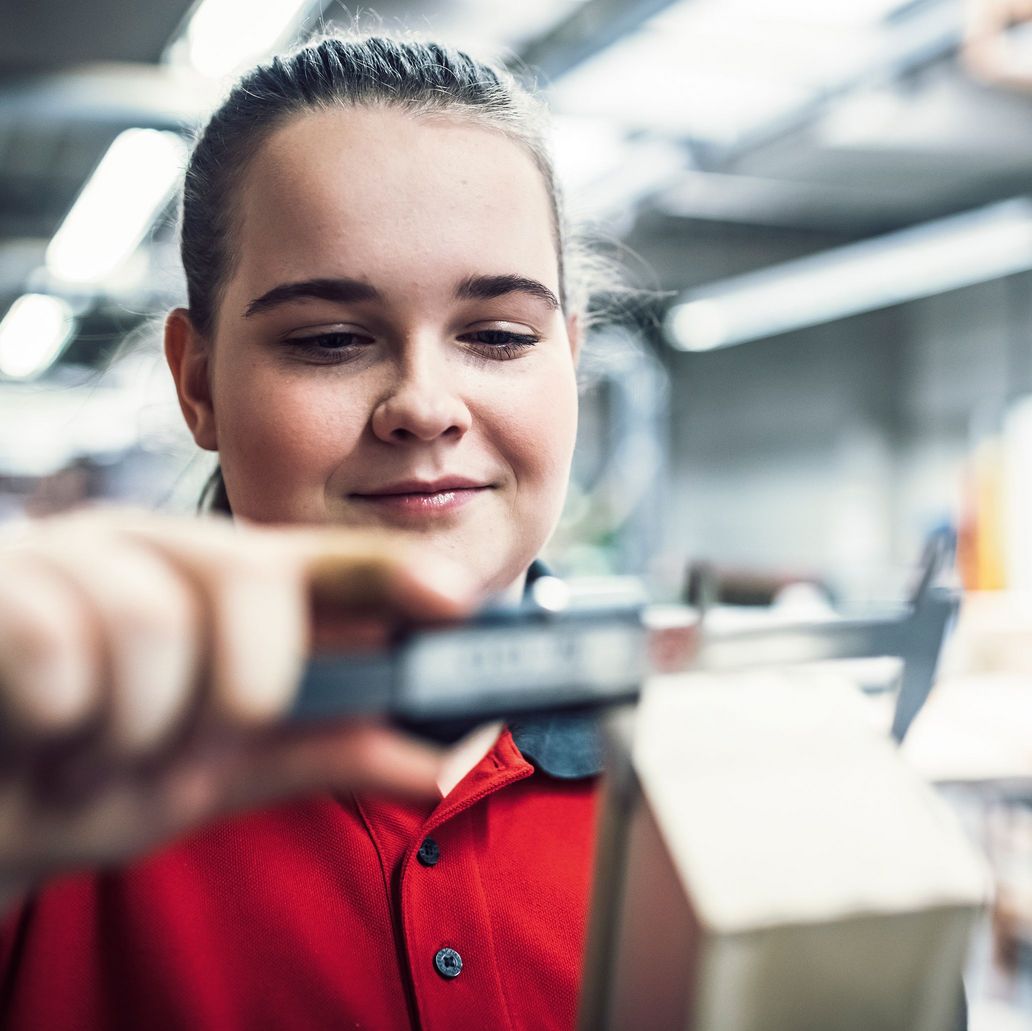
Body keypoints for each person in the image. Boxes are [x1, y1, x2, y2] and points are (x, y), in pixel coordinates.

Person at [0, 35, 601, 1029]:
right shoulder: (54, 785)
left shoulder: (708, 787)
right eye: (328, 340)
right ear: (199, 384)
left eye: (497, 334)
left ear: (568, 360)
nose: (423, 404)